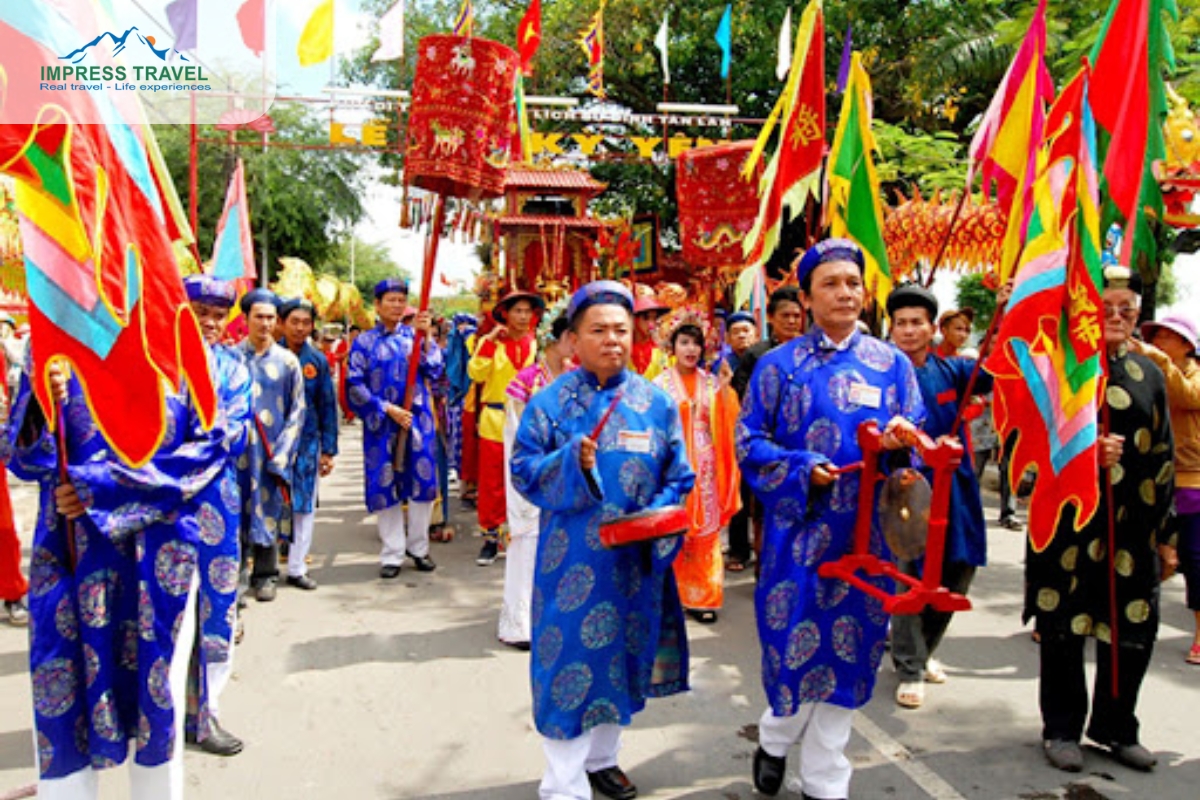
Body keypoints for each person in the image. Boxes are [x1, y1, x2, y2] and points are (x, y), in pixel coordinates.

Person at [737, 239, 926, 800]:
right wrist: (800, 468)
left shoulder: (892, 364)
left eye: (852, 282)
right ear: (808, 296)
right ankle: (774, 737)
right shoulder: (779, 366)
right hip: (799, 534)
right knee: (796, 648)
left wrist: (900, 445)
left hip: (867, 533)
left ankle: (824, 782)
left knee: (849, 650)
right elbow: (749, 442)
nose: (845, 292)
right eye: (831, 283)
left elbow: (912, 434)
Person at [3, 353, 238, 800]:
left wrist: (104, 488)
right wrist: (38, 404)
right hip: (70, 554)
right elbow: (23, 459)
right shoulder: (52, 344)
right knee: (62, 694)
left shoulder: (180, 346)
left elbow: (210, 448)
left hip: (157, 561)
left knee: (157, 697)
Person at [511, 280, 695, 800]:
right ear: (572, 339)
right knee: (566, 664)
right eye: (598, 330)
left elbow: (679, 476)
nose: (612, 340)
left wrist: (656, 516)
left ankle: (603, 760)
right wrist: (572, 459)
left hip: (634, 562)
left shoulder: (655, 402)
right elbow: (523, 470)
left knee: (621, 660)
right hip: (570, 560)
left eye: (620, 329)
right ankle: (564, 784)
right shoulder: (549, 402)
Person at [1031, 267, 1173, 774]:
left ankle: (1117, 727)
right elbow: (1027, 448)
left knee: (1132, 627)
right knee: (1065, 625)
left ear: (1138, 316)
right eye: (1105, 307)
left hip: (1131, 528)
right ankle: (1062, 728)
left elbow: (1162, 454)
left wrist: (1166, 534)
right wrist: (1084, 455)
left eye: (1126, 309)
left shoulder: (1150, 374)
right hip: (1069, 525)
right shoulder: (1058, 371)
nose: (1116, 317)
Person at [886, 282, 1008, 709]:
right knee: (910, 571)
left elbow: (998, 373)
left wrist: (1006, 313)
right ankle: (909, 665)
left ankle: (926, 649)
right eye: (899, 323)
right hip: (904, 485)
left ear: (931, 328)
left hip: (954, 485)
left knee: (958, 568)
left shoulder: (953, 370)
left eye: (916, 322)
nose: (907, 330)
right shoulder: (882, 374)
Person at [181, 276, 253, 757]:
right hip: (158, 511)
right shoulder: (157, 365)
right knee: (159, 613)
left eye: (216, 314)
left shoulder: (233, 367)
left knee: (214, 609)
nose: (209, 322)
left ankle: (205, 713)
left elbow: (232, 432)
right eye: (199, 311)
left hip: (215, 504)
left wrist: (165, 466)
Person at [345, 278, 442, 579]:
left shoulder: (414, 338)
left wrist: (427, 340)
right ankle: (392, 553)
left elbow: (436, 371)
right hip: (381, 422)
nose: (397, 305)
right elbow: (354, 383)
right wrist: (385, 409)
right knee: (384, 484)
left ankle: (419, 547)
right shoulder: (364, 342)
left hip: (417, 420)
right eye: (391, 300)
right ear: (377, 304)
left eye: (402, 300)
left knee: (422, 484)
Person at [654, 320, 741, 623]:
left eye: (696, 343)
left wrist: (727, 390)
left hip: (706, 464)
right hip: (673, 464)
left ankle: (704, 596)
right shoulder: (659, 385)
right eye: (684, 343)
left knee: (706, 532)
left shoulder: (712, 383)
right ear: (672, 347)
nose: (691, 349)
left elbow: (729, 421)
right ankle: (673, 595)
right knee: (673, 528)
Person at [498, 311, 574, 649]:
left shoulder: (577, 378)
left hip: (569, 475)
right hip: (535, 473)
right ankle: (519, 623)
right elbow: (515, 435)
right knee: (527, 544)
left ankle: (557, 619)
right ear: (554, 338)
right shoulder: (526, 380)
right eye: (572, 335)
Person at [1132, 313, 1199, 663]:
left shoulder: (1192, 377)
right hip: (1153, 475)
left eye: (1167, 338)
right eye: (1155, 337)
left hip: (1192, 480)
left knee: (1194, 557)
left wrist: (1156, 361)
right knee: (1149, 550)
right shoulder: (1147, 372)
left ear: (1187, 346)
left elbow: (1187, 397)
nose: (1158, 343)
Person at [237, 288, 305, 603]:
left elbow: (297, 411)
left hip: (271, 452)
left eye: (269, 318)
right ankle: (234, 576)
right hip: (237, 452)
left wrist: (283, 453)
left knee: (267, 509)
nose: (264, 324)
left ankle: (265, 575)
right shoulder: (232, 358)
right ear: (246, 319)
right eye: (258, 317)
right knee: (236, 510)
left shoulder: (289, 362)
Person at [468, 289, 543, 566]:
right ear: (505, 315)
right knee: (492, 482)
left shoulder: (537, 344)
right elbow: (475, 373)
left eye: (527, 311)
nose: (523, 317)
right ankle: (490, 537)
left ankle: (523, 534)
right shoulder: (492, 344)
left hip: (527, 420)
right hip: (495, 419)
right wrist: (487, 343)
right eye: (517, 311)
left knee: (525, 477)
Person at [278, 298, 338, 591]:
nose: (300, 328)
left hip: (306, 442)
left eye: (306, 323)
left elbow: (327, 405)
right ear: (281, 323)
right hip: (271, 443)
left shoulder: (317, 361)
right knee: (271, 502)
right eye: (294, 322)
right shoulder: (269, 355)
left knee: (303, 505)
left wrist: (328, 450)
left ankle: (297, 567)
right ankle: (262, 566)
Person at [630, 296, 670, 379]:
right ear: (635, 320)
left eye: (654, 318)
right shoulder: (623, 350)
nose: (651, 324)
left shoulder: (660, 352)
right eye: (646, 318)